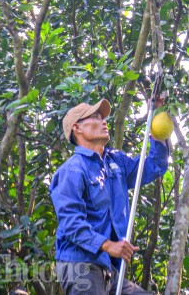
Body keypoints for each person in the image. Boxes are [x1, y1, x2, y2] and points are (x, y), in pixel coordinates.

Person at [50, 99, 170, 295]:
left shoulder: (116, 162)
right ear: (77, 128)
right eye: (95, 117)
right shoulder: (72, 170)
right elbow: (71, 223)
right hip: (80, 266)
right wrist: (107, 245)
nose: (104, 121)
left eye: (103, 117)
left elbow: (155, 165)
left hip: (109, 270)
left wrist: (157, 115)